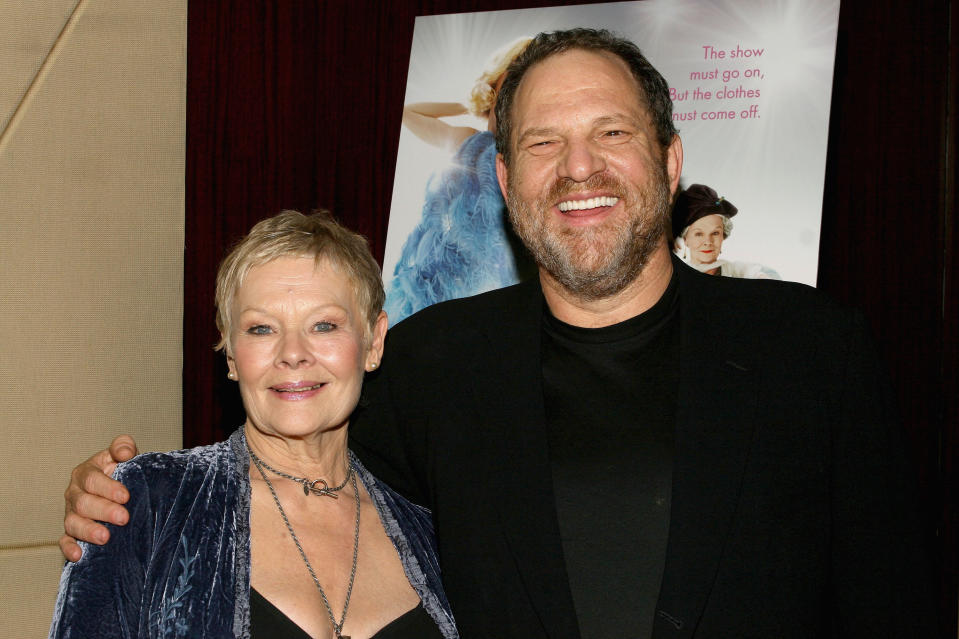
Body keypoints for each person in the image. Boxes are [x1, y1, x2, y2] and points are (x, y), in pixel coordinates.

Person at [60, 29, 937, 639]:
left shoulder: (816, 351)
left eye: (610, 134)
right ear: (507, 181)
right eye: (544, 143)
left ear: (670, 162)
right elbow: (289, 439)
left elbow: (894, 609)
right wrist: (120, 497)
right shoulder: (432, 361)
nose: (578, 168)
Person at [50, 211, 457, 639]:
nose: (293, 353)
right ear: (230, 355)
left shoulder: (431, 532)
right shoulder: (148, 505)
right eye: (262, 329)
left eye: (324, 325)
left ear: (373, 343)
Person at [385, 37, 534, 325]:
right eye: (508, 84)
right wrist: (470, 103)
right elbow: (410, 112)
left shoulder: (532, 152)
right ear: (492, 91)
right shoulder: (470, 142)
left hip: (507, 275)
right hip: (450, 272)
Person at [672, 183, 780, 279]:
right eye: (699, 234)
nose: (708, 241)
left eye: (715, 233)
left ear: (723, 235)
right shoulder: (678, 276)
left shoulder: (734, 271)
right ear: (686, 238)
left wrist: (762, 279)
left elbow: (762, 274)